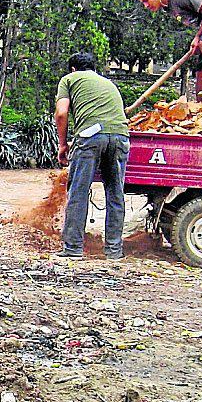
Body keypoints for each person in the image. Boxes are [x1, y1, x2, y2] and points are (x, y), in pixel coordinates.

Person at [54, 52, 130, 260]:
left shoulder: (69, 79)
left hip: (90, 136)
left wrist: (63, 145)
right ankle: (114, 251)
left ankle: (73, 248)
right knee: (115, 193)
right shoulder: (108, 83)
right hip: (121, 136)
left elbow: (61, 113)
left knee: (78, 191)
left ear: (72, 69)